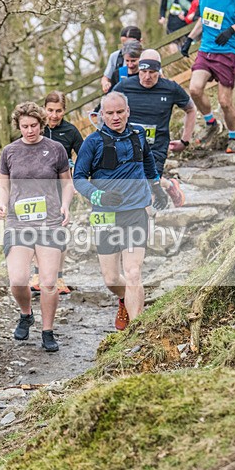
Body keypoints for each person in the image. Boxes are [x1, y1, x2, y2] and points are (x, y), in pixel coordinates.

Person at [73, 92, 168, 331]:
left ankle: (137, 333)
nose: (116, 117)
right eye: (110, 113)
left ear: (128, 111)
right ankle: (125, 299)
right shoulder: (92, 142)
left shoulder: (139, 134)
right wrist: (99, 195)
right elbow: (79, 179)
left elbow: (148, 162)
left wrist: (156, 186)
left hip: (135, 210)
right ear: (101, 115)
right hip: (105, 213)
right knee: (111, 279)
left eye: (120, 112)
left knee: (134, 272)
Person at [0, 102, 74, 352]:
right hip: (18, 222)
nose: (29, 131)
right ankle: (26, 313)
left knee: (49, 282)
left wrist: (66, 206)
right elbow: (4, 185)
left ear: (41, 124)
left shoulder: (56, 149)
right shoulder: (9, 152)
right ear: (17, 126)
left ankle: (48, 331)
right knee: (18, 280)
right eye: (24, 126)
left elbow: (68, 184)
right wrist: (1, 205)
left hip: (49, 221)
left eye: (34, 126)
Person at [180, 0, 235, 153]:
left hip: (227, 51)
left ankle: (234, 138)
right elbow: (203, 18)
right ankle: (211, 123)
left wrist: (231, 31)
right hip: (206, 49)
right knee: (194, 89)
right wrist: (189, 39)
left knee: (225, 101)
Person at [114, 49, 196, 207]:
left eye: (152, 72)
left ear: (159, 71)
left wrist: (185, 141)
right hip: (129, 145)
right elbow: (105, 110)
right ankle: (170, 186)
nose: (147, 77)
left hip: (157, 146)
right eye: (143, 71)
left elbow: (191, 109)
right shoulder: (124, 86)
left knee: (146, 186)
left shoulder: (170, 88)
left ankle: (146, 226)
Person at [27, 91, 83, 295]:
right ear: (44, 109)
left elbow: (84, 156)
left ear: (64, 111)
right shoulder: (34, 128)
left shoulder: (70, 131)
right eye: (50, 110)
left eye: (58, 111)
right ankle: (36, 274)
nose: (54, 115)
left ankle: (58, 278)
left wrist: (76, 179)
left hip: (60, 188)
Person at [101, 26, 143, 93]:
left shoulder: (149, 56)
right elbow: (106, 77)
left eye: (131, 44)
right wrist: (105, 84)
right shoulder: (115, 56)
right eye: (124, 43)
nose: (127, 47)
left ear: (140, 41)